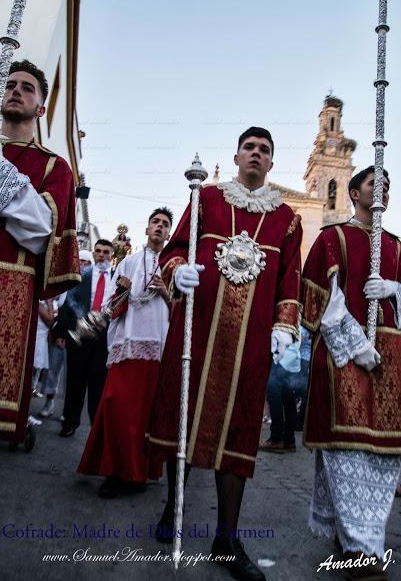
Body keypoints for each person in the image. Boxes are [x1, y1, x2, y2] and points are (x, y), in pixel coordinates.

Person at [147, 127, 302, 581]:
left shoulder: (286, 218)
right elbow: (174, 249)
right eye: (249, 147)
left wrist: (284, 324)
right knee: (184, 418)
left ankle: (226, 538)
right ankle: (174, 506)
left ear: (272, 163)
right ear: (235, 155)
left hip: (250, 342)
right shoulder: (207, 200)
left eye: (265, 150)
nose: (256, 154)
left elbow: (289, 276)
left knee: (237, 429)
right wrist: (178, 272)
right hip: (197, 331)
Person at [0, 60, 80, 565]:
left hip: (3, 298)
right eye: (9, 86)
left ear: (42, 105)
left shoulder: (56, 168)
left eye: (27, 88)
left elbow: (41, 231)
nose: (17, 92)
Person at [301, 166, 401, 580]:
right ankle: (360, 548)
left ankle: (356, 540)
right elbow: (325, 303)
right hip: (345, 353)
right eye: (374, 185)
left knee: (383, 453)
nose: (382, 192)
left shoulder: (396, 245)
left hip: (391, 355)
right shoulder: (332, 237)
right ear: (355, 192)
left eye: (389, 187)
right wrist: (358, 347)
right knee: (347, 447)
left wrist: (396, 289)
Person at [78, 208, 173, 497]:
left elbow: (186, 311)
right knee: (115, 404)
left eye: (165, 224)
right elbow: (110, 307)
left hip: (157, 347)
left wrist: (166, 291)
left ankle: (137, 474)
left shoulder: (173, 267)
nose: (159, 227)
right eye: (155, 222)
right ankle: (116, 469)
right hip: (127, 344)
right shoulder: (129, 262)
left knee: (145, 414)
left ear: (169, 234)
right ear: (146, 230)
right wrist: (122, 292)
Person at [56, 239, 115, 437]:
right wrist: (62, 333)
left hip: (104, 340)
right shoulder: (81, 276)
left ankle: (96, 430)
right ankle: (69, 422)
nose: (101, 255)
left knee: (98, 386)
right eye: (98, 251)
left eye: (106, 252)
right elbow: (66, 304)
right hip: (79, 337)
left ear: (112, 256)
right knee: (74, 383)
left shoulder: (117, 279)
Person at [258, 339, 300, 453]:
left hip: (282, 357)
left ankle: (277, 437)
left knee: (274, 394)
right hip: (289, 356)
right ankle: (289, 440)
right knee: (288, 396)